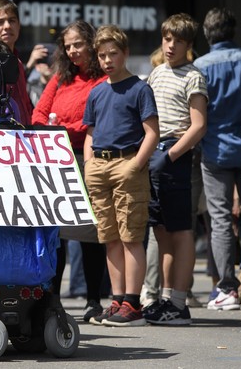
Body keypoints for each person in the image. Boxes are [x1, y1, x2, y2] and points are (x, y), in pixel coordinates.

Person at [30, 20, 108, 322]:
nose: (73, 50)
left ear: (91, 43)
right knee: (56, 235)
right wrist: (55, 131)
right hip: (54, 161)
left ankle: (93, 299)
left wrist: (59, 129)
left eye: (78, 43)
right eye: (68, 45)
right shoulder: (61, 77)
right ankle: (53, 298)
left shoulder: (102, 80)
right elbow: (38, 114)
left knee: (89, 234)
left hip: (86, 158)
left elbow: (92, 124)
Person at [193, 8, 241, 312]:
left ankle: (227, 288)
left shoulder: (199, 66)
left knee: (220, 219)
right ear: (233, 30)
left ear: (207, 34)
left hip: (214, 150)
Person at [82, 25, 159, 326]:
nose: (107, 60)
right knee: (109, 237)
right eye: (102, 55)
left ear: (125, 53)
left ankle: (133, 303)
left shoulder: (140, 88)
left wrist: (136, 164)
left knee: (131, 236)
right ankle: (116, 301)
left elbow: (152, 133)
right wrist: (89, 164)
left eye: (113, 53)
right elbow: (90, 133)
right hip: (99, 166)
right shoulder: (97, 91)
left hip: (128, 163)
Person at [143, 13, 208, 326]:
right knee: (162, 231)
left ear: (188, 44)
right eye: (167, 38)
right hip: (155, 152)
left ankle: (179, 303)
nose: (170, 45)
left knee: (181, 232)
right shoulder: (157, 73)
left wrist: (169, 156)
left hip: (175, 156)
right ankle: (166, 299)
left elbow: (198, 126)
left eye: (178, 41)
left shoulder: (194, 75)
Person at [0, 0, 33, 125]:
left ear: (19, 25)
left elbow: (26, 105)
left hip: (23, 138)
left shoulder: (18, 63)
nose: (7, 26)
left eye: (12, 20)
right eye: (0, 22)